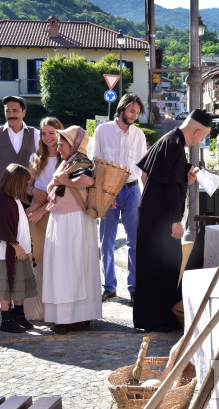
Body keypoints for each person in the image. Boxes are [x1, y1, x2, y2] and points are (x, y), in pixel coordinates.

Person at [133, 109, 211, 332]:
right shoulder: (175, 145)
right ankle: (157, 320)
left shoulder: (168, 139)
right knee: (163, 267)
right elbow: (166, 185)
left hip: (154, 217)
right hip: (163, 220)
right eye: (203, 136)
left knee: (154, 267)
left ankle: (150, 318)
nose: (201, 140)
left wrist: (183, 180)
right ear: (196, 130)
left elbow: (148, 175)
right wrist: (175, 220)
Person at [42, 126, 102, 334]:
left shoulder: (80, 161)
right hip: (65, 219)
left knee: (69, 268)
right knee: (70, 268)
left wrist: (65, 180)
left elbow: (87, 180)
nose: (58, 148)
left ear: (75, 144)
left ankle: (71, 318)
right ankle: (77, 315)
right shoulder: (71, 161)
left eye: (61, 143)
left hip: (72, 221)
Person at [92, 94, 147, 305]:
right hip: (109, 193)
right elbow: (96, 162)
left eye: (137, 113)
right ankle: (109, 287)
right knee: (107, 242)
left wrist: (146, 195)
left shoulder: (139, 135)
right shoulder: (102, 131)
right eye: (131, 111)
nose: (134, 115)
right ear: (122, 109)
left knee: (135, 242)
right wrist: (105, 194)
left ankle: (134, 287)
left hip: (132, 191)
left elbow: (143, 168)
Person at [0, 164, 38, 333]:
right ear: (15, 182)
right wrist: (16, 246)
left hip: (18, 251)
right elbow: (1, 227)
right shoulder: (4, 200)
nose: (26, 186)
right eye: (24, 183)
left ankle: (19, 316)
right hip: (7, 252)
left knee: (18, 284)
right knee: (6, 285)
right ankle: (7, 319)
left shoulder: (14, 199)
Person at [23, 117, 64, 321]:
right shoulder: (35, 157)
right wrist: (34, 191)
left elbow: (65, 192)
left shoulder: (66, 158)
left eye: (51, 133)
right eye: (43, 133)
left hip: (58, 213)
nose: (47, 137)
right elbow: (27, 185)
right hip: (37, 213)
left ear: (59, 133)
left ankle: (58, 310)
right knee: (37, 260)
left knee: (57, 261)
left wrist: (44, 207)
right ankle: (38, 310)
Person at [0, 96, 40, 180]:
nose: (11, 115)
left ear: (24, 112)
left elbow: (42, 161)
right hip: (1, 190)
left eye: (15, 111)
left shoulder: (36, 134)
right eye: (7, 111)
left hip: (28, 190)